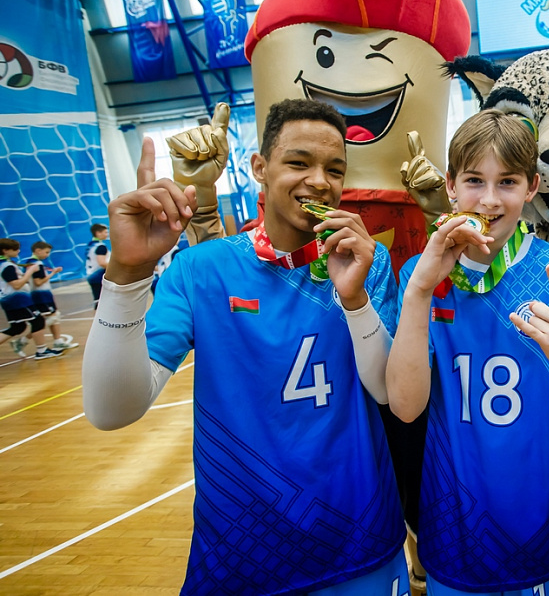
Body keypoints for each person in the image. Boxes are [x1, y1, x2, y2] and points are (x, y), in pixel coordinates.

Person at [81, 99, 409, 594]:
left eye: (334, 169)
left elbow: (388, 392)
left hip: (362, 544)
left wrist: (356, 300)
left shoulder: (368, 260)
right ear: (259, 168)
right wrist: (127, 274)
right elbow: (111, 411)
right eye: (298, 162)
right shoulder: (202, 269)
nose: (319, 181)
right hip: (242, 554)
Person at [386, 109, 549, 595]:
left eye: (508, 182)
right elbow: (406, 407)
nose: (491, 199)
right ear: (451, 184)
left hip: (540, 517)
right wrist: (419, 291)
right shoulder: (418, 273)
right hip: (453, 525)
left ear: (532, 186)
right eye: (475, 180)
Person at [1, 238, 64, 360]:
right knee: (38, 321)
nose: (18, 251)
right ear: (5, 250)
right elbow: (16, 285)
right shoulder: (7, 266)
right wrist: (29, 272)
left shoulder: (6, 264)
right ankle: (41, 351)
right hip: (17, 300)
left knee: (17, 327)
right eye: (15, 249)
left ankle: (43, 348)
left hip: (12, 300)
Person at [23, 241, 78, 352]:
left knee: (55, 315)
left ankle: (58, 341)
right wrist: (52, 274)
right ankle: (23, 340)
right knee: (49, 318)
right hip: (40, 295)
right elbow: (38, 282)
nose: (47, 255)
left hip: (42, 295)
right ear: (38, 250)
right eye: (46, 252)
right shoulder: (36, 264)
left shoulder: (31, 262)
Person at [85, 223, 109, 306]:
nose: (107, 234)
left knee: (98, 301)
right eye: (105, 232)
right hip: (99, 275)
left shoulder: (90, 245)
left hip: (91, 274)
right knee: (103, 303)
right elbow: (102, 262)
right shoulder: (101, 247)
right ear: (98, 233)